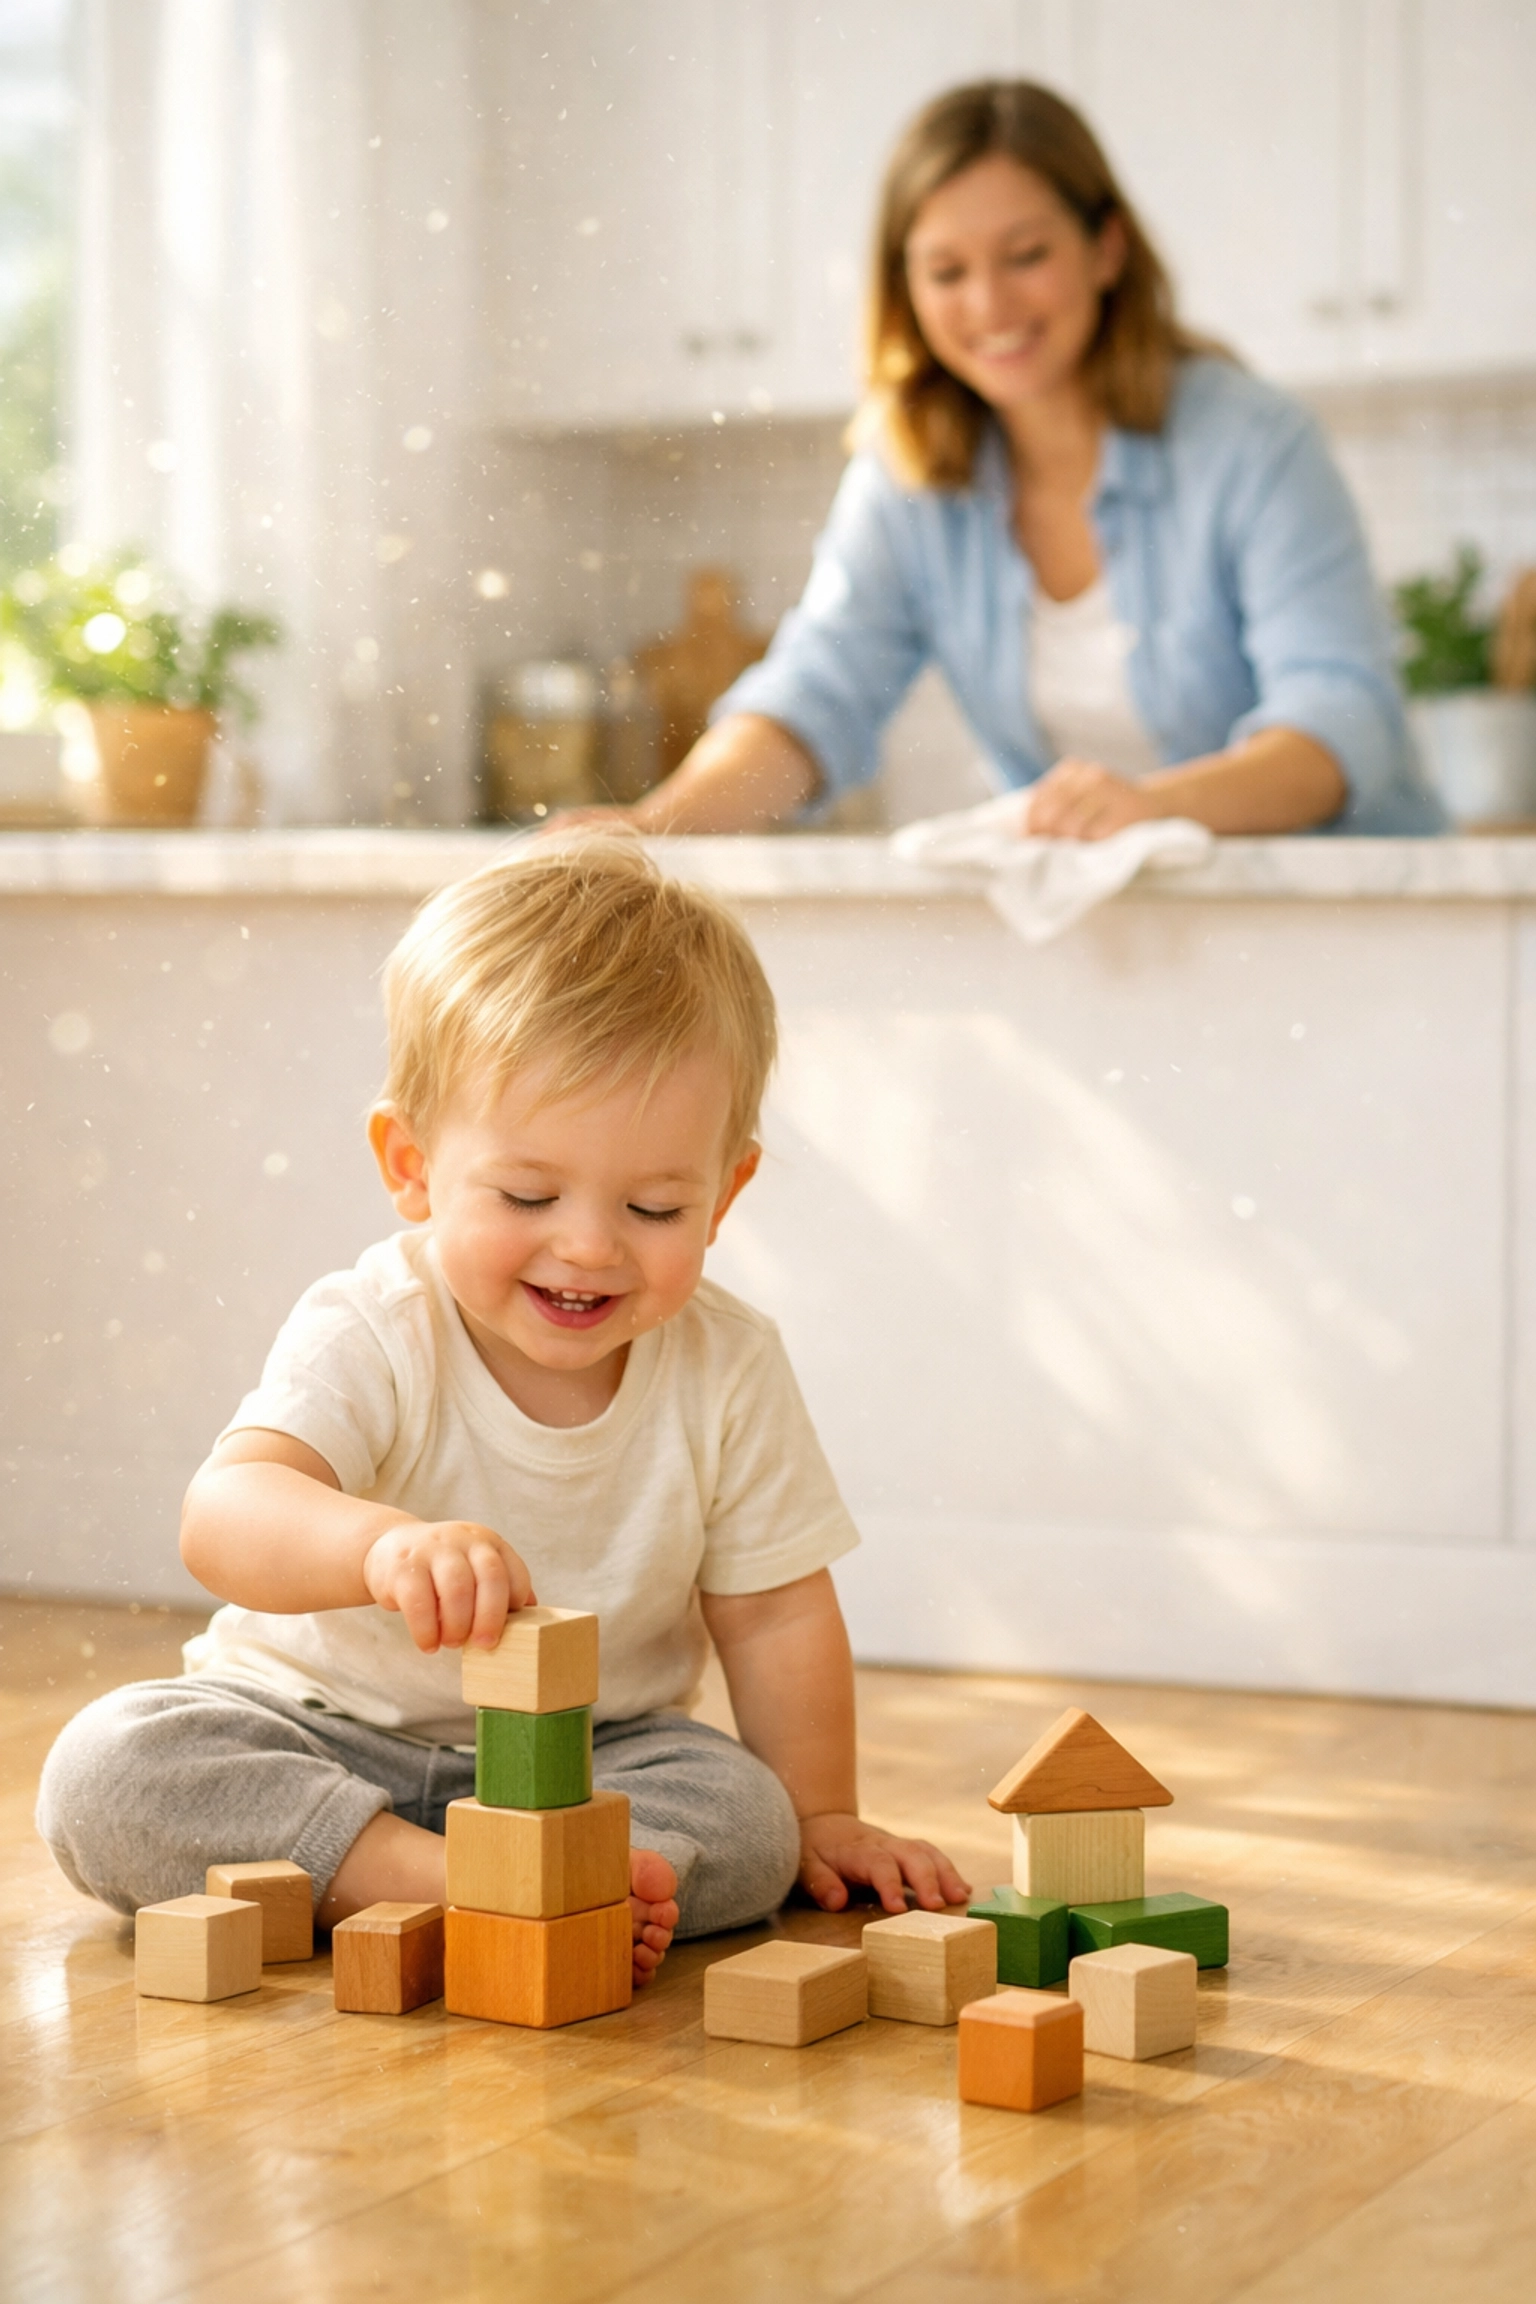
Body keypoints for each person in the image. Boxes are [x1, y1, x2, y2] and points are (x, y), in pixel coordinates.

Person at [36, 835, 968, 1980]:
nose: (589, 1245)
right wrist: (381, 1549)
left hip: (589, 1762)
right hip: (320, 1732)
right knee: (109, 1769)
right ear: (412, 1166)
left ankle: (540, 1875)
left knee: (745, 1820)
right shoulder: (376, 1324)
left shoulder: (728, 1364)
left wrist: (825, 1817)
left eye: (656, 1207)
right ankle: (444, 1882)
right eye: (529, 1193)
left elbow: (774, 1617)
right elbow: (226, 1515)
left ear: (727, 1194)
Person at [620, 80, 1439, 841]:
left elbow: (1341, 716)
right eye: (947, 271)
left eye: (1026, 255)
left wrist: (1153, 810)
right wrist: (653, 832)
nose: (989, 305)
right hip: (1103, 931)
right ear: (906, 289)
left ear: (1106, 249)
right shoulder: (907, 478)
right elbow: (814, 695)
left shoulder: (1253, 444)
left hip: (1342, 913)